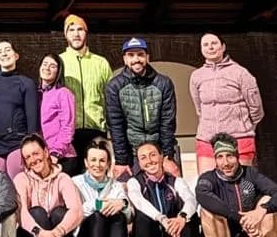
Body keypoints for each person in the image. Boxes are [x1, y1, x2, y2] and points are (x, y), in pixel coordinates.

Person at [126, 142, 200, 237]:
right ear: (139, 163)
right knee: (143, 218)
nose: (149, 160)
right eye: (143, 158)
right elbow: (139, 202)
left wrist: (181, 218)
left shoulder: (175, 181)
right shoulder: (135, 182)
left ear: (161, 157)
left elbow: (191, 200)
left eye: (153, 155)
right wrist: (162, 219)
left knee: (190, 216)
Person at [13, 134, 83, 237]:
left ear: (46, 152)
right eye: (28, 157)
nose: (33, 159)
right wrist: (41, 233)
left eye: (36, 153)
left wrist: (55, 233)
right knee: (37, 212)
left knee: (60, 213)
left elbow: (76, 210)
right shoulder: (21, 179)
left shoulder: (63, 178)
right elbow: (21, 213)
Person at [190, 33, 264, 172]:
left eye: (214, 43)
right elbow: (199, 108)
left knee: (242, 187)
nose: (210, 47)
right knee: (208, 186)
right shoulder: (196, 76)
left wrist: (244, 127)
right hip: (207, 139)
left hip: (239, 138)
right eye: (205, 45)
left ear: (223, 47)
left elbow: (256, 109)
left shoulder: (241, 73)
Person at [106, 37, 178, 178]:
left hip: (160, 150)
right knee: (125, 189)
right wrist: (121, 161)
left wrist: (168, 155)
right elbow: (116, 125)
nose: (136, 59)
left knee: (174, 183)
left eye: (140, 54)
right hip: (131, 152)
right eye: (131, 55)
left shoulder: (163, 83)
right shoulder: (114, 86)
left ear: (147, 57)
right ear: (125, 59)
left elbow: (167, 122)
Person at [71, 140, 133, 237]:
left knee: (118, 216)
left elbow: (131, 216)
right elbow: (75, 212)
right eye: (93, 160)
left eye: (102, 160)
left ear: (108, 164)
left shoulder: (116, 186)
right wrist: (97, 204)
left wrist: (123, 204)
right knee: (97, 216)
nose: (97, 165)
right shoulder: (75, 183)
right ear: (86, 162)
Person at [58, 14, 113, 175]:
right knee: (71, 178)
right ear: (66, 35)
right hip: (69, 132)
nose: (76, 34)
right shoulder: (59, 62)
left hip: (95, 129)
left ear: (86, 33)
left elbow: (110, 99)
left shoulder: (101, 63)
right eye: (71, 30)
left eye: (80, 29)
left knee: (96, 175)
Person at [0, 41, 38, 178]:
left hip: (18, 144)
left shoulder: (26, 83)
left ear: (16, 55)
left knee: (18, 182)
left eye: (7, 50)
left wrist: (30, 145)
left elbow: (32, 117)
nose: (4, 54)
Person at [37, 53, 77, 177]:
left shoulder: (63, 93)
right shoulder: (35, 93)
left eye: (52, 66)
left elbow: (68, 126)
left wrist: (56, 153)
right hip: (41, 156)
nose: (47, 68)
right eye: (45, 64)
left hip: (60, 158)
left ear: (58, 71)